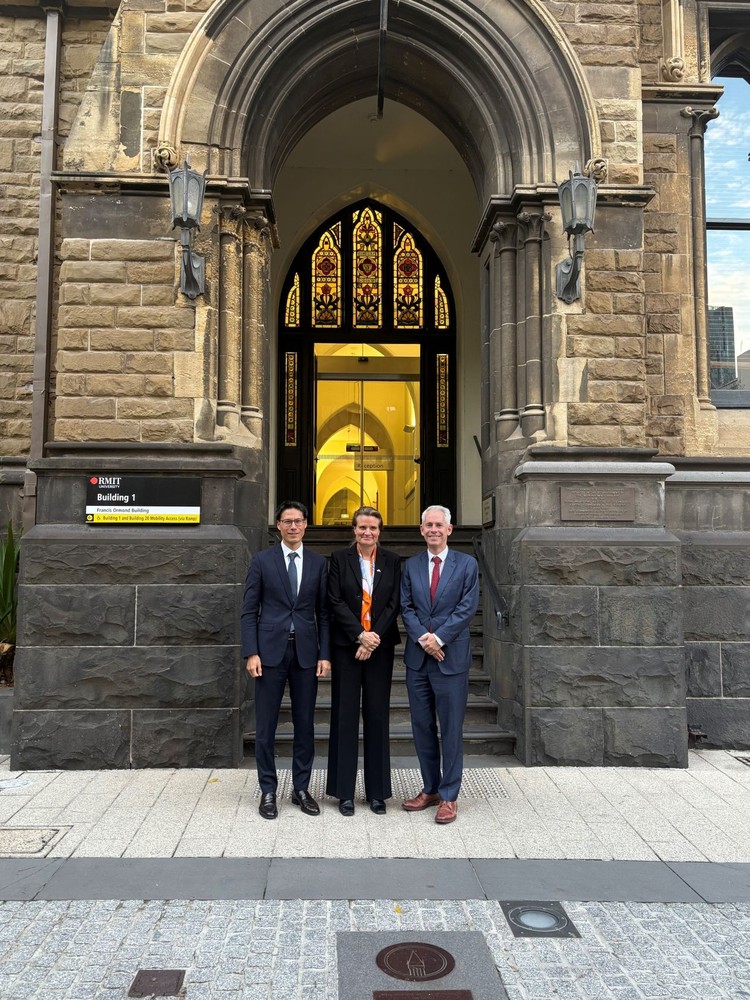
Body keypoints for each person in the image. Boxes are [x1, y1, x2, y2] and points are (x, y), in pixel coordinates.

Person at [241, 501, 331, 820]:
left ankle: (300, 789)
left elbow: (323, 613)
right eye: (287, 521)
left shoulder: (320, 564)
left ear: (306, 524)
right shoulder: (262, 561)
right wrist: (251, 652)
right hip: (269, 654)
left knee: (305, 724)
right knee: (265, 725)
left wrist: (325, 654)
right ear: (278, 525)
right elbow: (249, 610)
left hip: (306, 653)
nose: (293, 526)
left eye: (298, 521)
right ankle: (268, 790)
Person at [399, 505, 479, 825]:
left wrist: (440, 638)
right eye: (428, 525)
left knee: (450, 729)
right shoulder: (411, 565)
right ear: (421, 530)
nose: (433, 529)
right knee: (422, 728)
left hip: (451, 659)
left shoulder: (467, 565)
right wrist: (423, 638)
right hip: (418, 660)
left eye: (438, 525)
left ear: (449, 529)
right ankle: (430, 788)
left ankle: (449, 796)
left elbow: (467, 607)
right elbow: (406, 607)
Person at [326, 506, 401, 816]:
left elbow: (394, 602)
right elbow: (334, 601)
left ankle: (377, 793)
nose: (367, 533)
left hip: (379, 648)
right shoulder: (339, 560)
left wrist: (372, 639)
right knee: (344, 717)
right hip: (347, 646)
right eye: (361, 528)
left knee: (377, 716)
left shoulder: (392, 561)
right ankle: (344, 792)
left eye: (372, 528)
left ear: (379, 531)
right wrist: (359, 635)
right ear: (353, 530)